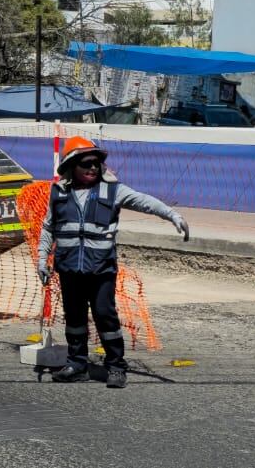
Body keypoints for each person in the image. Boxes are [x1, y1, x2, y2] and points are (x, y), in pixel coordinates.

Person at [37, 136, 188, 389]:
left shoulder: (113, 190)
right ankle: (77, 365)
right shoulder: (59, 193)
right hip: (69, 268)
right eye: (86, 163)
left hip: (101, 269)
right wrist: (42, 259)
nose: (93, 168)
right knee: (74, 318)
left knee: (105, 316)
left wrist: (173, 215)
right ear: (72, 166)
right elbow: (48, 228)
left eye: (96, 163)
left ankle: (116, 367)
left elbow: (145, 201)